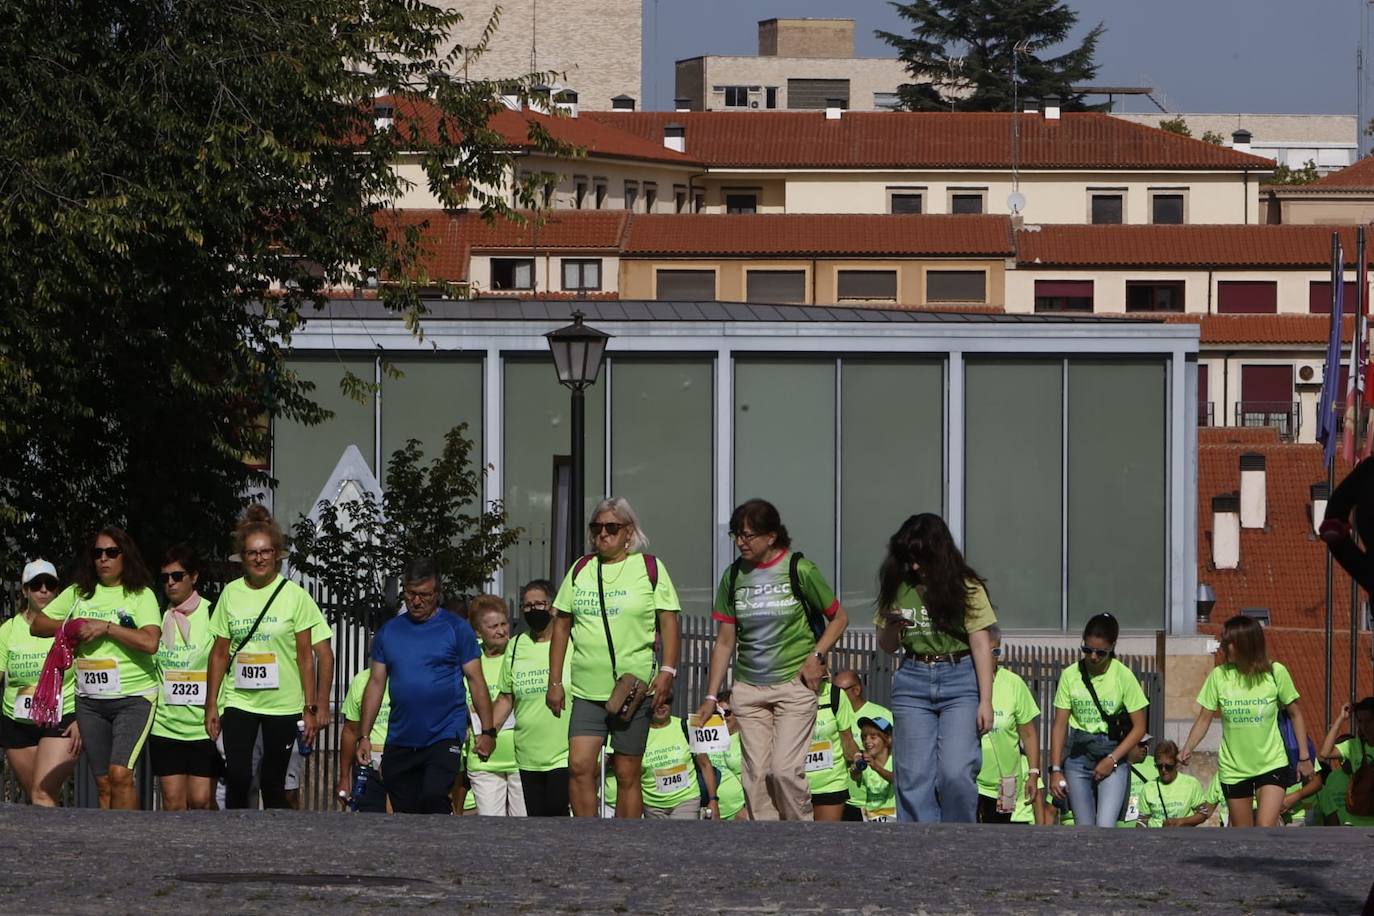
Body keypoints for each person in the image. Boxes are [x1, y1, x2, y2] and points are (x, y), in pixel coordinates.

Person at [696, 498, 846, 822]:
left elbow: (839, 618)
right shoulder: (734, 576)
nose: (740, 542)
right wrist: (711, 696)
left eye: (748, 535)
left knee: (784, 771)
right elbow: (724, 642)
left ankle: (800, 845)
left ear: (771, 536)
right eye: (736, 534)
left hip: (794, 684)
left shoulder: (799, 569)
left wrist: (816, 655)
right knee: (756, 777)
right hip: (750, 689)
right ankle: (768, 853)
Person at [547, 497, 682, 818]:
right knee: (579, 765)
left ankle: (624, 845)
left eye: (611, 527)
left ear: (628, 532)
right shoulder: (580, 569)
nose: (602, 535)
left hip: (634, 690)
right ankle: (588, 838)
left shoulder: (649, 568)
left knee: (626, 772)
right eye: (597, 528)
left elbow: (669, 621)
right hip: (587, 689)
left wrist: (667, 671)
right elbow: (562, 625)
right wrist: (555, 681)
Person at [874, 513, 996, 823]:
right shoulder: (897, 584)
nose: (915, 567)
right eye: (909, 559)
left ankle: (958, 844)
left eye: (921, 558)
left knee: (955, 772)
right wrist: (892, 627)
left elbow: (981, 643)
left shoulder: (966, 586)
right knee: (914, 776)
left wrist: (986, 700)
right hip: (913, 679)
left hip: (960, 678)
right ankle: (919, 851)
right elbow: (887, 645)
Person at [204, 506, 327, 809]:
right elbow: (219, 653)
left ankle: (275, 848)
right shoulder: (230, 594)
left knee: (274, 782)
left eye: (265, 552)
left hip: (282, 704)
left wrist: (310, 707)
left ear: (276, 555)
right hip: (239, 700)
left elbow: (306, 656)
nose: (259, 558)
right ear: (242, 558)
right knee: (238, 776)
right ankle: (235, 843)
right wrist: (211, 704)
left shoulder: (294, 596)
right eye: (252, 553)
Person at [33, 527, 161, 810]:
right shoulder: (78, 594)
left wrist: (106, 627)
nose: (104, 559)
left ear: (125, 556)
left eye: (112, 552)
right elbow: (38, 625)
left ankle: (132, 842)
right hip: (90, 701)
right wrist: (74, 625)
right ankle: (109, 850)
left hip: (134, 698)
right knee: (103, 784)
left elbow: (150, 642)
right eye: (98, 553)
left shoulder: (141, 595)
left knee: (120, 774)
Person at [358, 556, 496, 814]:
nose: (417, 601)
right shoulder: (389, 632)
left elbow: (476, 681)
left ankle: (444, 849)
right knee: (406, 811)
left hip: (443, 735)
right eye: (411, 594)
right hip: (401, 739)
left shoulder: (456, 629)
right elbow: (376, 683)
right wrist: (364, 735)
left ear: (438, 594)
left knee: (434, 797)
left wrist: (487, 732)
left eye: (424, 595)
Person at [1179, 614, 1313, 828]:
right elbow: (1204, 719)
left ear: (1245, 644)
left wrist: (1304, 757)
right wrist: (1188, 747)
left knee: (1264, 828)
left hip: (1271, 763)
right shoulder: (1219, 676)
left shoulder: (1275, 673)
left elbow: (1296, 714)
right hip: (1234, 767)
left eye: (1228, 642)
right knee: (1244, 835)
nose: (1223, 646)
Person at [1048, 613, 1148, 828]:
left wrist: (1112, 759)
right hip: (1078, 756)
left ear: (1112, 647)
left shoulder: (1123, 676)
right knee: (1083, 828)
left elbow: (1140, 728)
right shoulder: (1070, 675)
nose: (1093, 656)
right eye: (1087, 650)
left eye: (1100, 652)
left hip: (1112, 754)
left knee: (1104, 826)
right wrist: (1055, 770)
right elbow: (1059, 726)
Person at [488, 579, 572, 817]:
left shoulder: (571, 642)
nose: (533, 610)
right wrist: (488, 732)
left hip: (564, 754)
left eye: (539, 604)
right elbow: (506, 697)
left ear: (552, 606)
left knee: (558, 813)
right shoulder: (515, 647)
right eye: (527, 606)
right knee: (537, 823)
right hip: (527, 756)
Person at [0, 560, 80, 805]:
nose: (44, 590)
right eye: (36, 585)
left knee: (41, 794)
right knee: (39, 798)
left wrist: (82, 719)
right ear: (25, 591)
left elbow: (87, 673)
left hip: (61, 719)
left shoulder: (69, 627)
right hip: (17, 723)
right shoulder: (9, 630)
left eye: (50, 585)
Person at [150, 546, 221, 810]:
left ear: (194, 577)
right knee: (172, 803)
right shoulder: (157, 617)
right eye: (165, 577)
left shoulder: (213, 614)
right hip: (166, 725)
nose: (170, 582)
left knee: (201, 800)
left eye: (177, 576)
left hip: (203, 726)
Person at [464, 594, 524, 816]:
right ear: (478, 631)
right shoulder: (469, 659)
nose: (501, 631)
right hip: (483, 760)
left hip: (520, 757)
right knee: (490, 831)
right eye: (493, 626)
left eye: (504, 624)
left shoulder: (519, 652)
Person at [976, 626, 1041, 824]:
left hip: (1007, 783)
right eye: (985, 652)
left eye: (996, 652)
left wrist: (1033, 774)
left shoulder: (1014, 683)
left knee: (1000, 836)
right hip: (973, 781)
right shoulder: (965, 681)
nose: (991, 657)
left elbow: (1028, 734)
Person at [640, 691, 718, 820]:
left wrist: (713, 800)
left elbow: (705, 765)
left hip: (686, 800)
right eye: (657, 702)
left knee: (683, 839)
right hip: (652, 805)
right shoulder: (640, 733)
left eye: (667, 701)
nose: (662, 706)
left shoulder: (686, 726)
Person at [832, 670, 890, 822]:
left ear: (856, 690)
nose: (835, 695)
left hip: (879, 803)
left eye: (839, 691)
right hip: (844, 800)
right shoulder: (831, 716)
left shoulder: (883, 715)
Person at [337, 659, 390, 813]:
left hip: (403, 761)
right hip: (369, 764)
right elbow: (350, 731)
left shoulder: (410, 677)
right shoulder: (361, 680)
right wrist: (344, 778)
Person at [1315, 698, 1374, 827]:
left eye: (1369, 721)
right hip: (1353, 822)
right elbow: (1325, 753)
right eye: (1360, 721)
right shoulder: (1353, 746)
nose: (1364, 726)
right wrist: (1341, 719)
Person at [806, 677, 854, 821]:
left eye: (822, 660)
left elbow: (847, 740)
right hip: (793, 784)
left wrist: (856, 759)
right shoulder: (785, 693)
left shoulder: (835, 695)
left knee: (826, 840)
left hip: (831, 784)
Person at [1137, 739, 1206, 828]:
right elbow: (1142, 821)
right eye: (1159, 766)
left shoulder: (1191, 784)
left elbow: (1203, 814)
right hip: (1154, 839)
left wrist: (1181, 822)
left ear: (1176, 764)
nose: (1164, 770)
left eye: (1168, 766)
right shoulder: (1148, 788)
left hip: (1183, 838)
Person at [707, 688, 749, 821]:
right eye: (717, 713)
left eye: (727, 713)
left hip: (738, 812)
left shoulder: (747, 740)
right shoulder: (706, 738)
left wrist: (747, 808)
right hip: (708, 811)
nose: (722, 717)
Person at [850, 715, 897, 822]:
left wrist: (876, 767)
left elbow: (898, 780)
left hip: (895, 818)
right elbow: (856, 776)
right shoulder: (865, 762)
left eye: (873, 737)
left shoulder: (896, 760)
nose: (867, 741)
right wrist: (856, 768)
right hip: (871, 818)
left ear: (888, 739)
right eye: (864, 737)